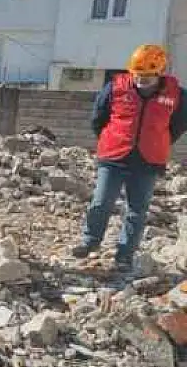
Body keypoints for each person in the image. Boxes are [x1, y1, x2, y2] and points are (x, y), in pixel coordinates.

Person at [71, 44, 187, 271]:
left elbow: (179, 124)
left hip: (148, 161)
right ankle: (89, 241)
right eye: (138, 75)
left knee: (137, 209)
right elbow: (98, 118)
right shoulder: (115, 87)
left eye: (148, 77)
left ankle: (124, 255)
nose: (142, 80)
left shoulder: (177, 95)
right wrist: (111, 138)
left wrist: (159, 140)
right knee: (102, 201)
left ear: (160, 73)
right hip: (114, 156)